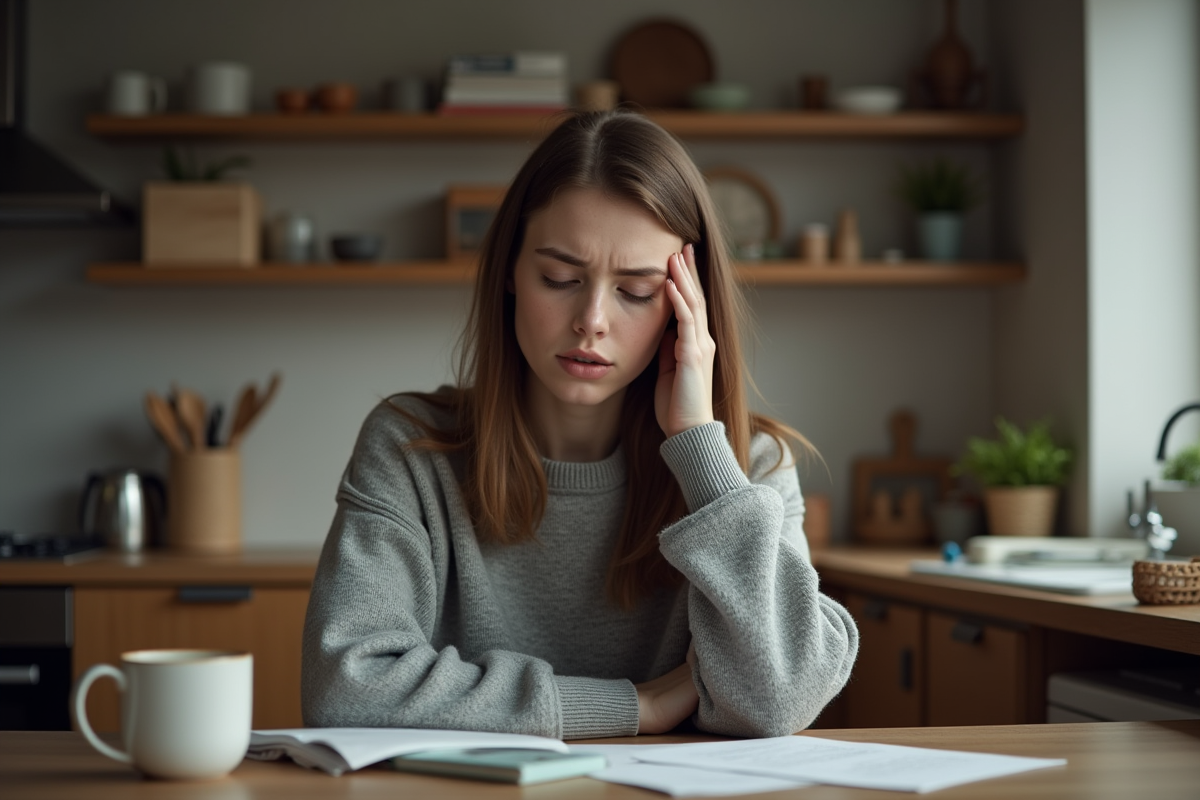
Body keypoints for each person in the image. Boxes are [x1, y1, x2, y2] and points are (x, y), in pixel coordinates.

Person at [302, 109, 858, 741]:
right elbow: (342, 685)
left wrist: (701, 450)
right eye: (560, 278)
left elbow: (783, 698)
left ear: (688, 310)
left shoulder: (748, 467)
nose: (591, 319)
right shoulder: (408, 447)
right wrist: (633, 707)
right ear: (511, 273)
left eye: (638, 291)